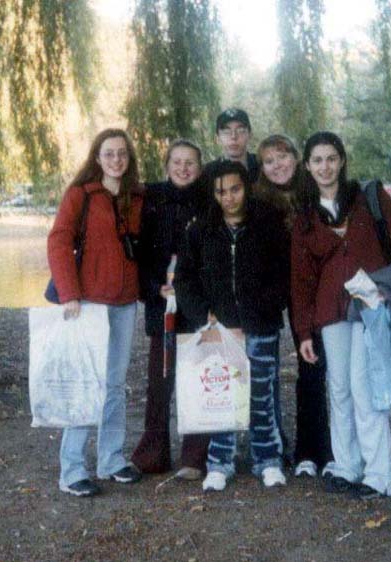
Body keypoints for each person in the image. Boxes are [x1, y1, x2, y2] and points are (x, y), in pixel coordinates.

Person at [290, 131, 391, 499]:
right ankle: (347, 465)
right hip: (331, 312)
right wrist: (303, 333)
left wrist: (388, 287)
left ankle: (381, 474)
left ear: (342, 160)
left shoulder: (369, 199)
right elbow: (301, 280)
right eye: (317, 160)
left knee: (366, 389)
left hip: (369, 309)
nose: (325, 167)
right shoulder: (305, 216)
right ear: (308, 166)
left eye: (331, 158)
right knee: (340, 389)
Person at [174, 160, 288, 492]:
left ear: (246, 187)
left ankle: (267, 460)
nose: (228, 197)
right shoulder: (200, 230)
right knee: (220, 395)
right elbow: (185, 279)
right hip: (219, 329)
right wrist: (205, 315)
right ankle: (220, 463)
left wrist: (257, 312)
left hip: (260, 326)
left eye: (235, 189)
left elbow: (282, 278)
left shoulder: (268, 224)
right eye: (221, 191)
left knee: (261, 396)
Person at [47, 128, 144, 497]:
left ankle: (111, 459)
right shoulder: (81, 195)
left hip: (124, 303)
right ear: (97, 157)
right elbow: (58, 241)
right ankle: (71, 469)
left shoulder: (136, 196)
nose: (116, 160)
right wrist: (69, 293)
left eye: (122, 154)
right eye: (109, 154)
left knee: (115, 383)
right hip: (88, 302)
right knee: (87, 383)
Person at [131, 139, 210, 480]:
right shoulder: (151, 197)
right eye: (177, 162)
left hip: (197, 302)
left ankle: (195, 455)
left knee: (197, 375)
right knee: (159, 379)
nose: (183, 168)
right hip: (161, 301)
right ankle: (154, 452)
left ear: (199, 167)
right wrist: (154, 288)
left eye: (190, 162)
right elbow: (140, 253)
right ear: (167, 165)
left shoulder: (209, 200)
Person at [255, 134, 333, 478]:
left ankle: (320, 448)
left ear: (296, 158)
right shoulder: (257, 201)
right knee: (266, 369)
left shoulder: (312, 192)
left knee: (313, 366)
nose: (277, 165)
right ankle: (282, 444)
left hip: (311, 290)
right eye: (269, 161)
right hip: (272, 291)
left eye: (282, 157)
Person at [203, 108, 260, 185]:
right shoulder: (207, 173)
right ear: (217, 138)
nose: (233, 136)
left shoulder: (263, 166)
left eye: (240, 130)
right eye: (226, 132)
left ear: (250, 135)